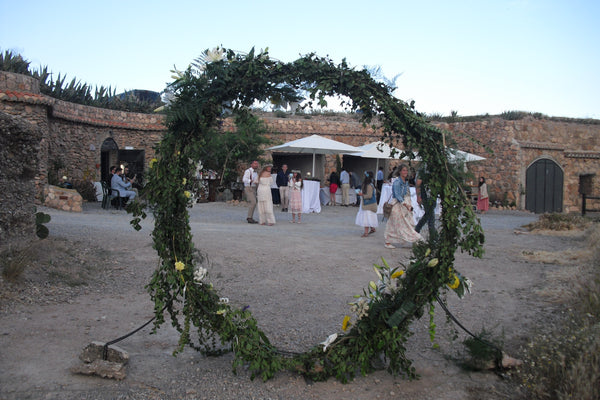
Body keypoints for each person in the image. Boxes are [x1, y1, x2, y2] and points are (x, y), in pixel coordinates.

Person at [384, 164, 423, 249]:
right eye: (403, 170)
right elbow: (398, 195)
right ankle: (416, 239)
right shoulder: (397, 182)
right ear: (400, 171)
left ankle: (411, 239)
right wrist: (406, 204)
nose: (405, 172)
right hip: (399, 205)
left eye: (406, 170)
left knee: (405, 223)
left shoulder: (405, 181)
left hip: (405, 205)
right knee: (398, 223)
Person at [414, 164, 437, 240]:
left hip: (433, 196)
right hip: (426, 197)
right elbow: (418, 184)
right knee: (430, 216)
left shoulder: (435, 169)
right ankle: (432, 236)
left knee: (429, 215)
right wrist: (418, 197)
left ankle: (417, 230)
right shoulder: (423, 169)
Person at [355, 171, 378, 237]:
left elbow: (369, 195)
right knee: (369, 217)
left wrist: (361, 194)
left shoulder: (369, 185)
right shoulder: (369, 184)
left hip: (368, 204)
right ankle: (372, 228)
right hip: (367, 203)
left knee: (366, 217)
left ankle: (366, 232)